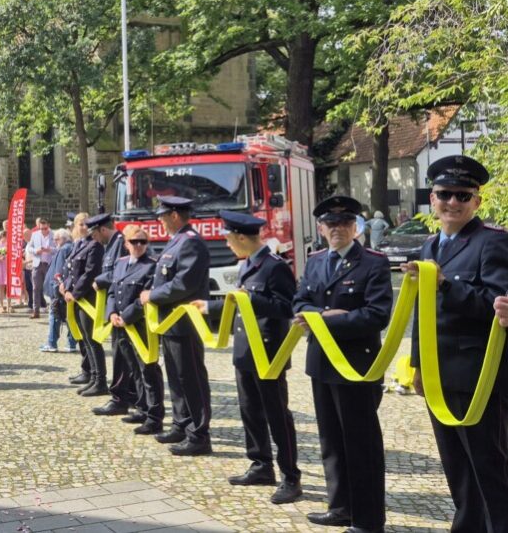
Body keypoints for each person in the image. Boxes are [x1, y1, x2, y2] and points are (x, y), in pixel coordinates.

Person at [402, 156, 508, 532]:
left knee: (489, 465)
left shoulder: (492, 243)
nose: (453, 202)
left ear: (476, 201)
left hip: (477, 375)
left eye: (462, 195)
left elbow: (493, 307)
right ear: (432, 198)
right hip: (438, 374)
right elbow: (421, 312)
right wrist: (417, 366)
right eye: (445, 194)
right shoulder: (430, 246)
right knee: (455, 464)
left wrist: (447, 285)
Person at [294, 195, 391, 532]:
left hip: (356, 365)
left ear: (356, 227)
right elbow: (300, 302)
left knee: (361, 444)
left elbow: (377, 315)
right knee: (331, 441)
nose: (338, 229)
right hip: (321, 362)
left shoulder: (374, 263)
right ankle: (340, 507)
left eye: (345, 223)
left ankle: (367, 520)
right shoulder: (315, 261)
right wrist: (326, 315)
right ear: (321, 228)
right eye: (331, 224)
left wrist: (329, 322)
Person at [192, 211, 301, 505]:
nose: (227, 245)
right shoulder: (247, 265)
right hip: (245, 350)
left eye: (229, 239)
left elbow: (287, 307)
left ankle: (291, 476)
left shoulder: (275, 267)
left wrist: (251, 299)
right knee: (250, 410)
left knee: (277, 414)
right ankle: (260, 464)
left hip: (268, 353)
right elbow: (237, 304)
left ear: (242, 238)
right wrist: (210, 307)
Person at [139, 195, 212, 457]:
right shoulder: (177, 242)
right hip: (169, 322)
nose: (159, 220)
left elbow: (184, 285)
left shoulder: (190, 243)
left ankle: (199, 434)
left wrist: (152, 296)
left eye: (162, 215)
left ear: (174, 215)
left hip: (184, 323)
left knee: (190, 378)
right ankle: (182, 424)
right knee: (177, 378)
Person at [91, 225, 166, 435]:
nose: (139, 246)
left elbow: (145, 297)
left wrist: (126, 316)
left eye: (143, 242)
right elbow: (114, 291)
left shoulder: (152, 265)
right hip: (120, 326)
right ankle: (141, 408)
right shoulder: (121, 263)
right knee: (132, 369)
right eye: (134, 242)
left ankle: (155, 415)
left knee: (148, 370)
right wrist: (111, 313)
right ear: (126, 244)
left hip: (140, 327)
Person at [64, 213, 106, 396]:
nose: (82, 227)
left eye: (85, 224)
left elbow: (90, 273)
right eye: (79, 224)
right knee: (84, 339)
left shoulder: (94, 245)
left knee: (92, 339)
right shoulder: (78, 244)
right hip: (76, 297)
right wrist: (66, 288)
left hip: (87, 297)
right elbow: (70, 270)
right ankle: (90, 374)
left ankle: (100, 380)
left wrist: (74, 293)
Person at [40, 228, 76, 352]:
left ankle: (51, 343)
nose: (55, 241)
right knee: (70, 315)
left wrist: (58, 286)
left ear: (64, 238)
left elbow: (59, 271)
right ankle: (71, 343)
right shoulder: (73, 247)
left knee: (54, 315)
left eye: (57, 239)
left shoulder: (64, 249)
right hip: (68, 287)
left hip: (59, 288)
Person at [27, 219, 55, 319]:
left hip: (49, 264)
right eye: (41, 228)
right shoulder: (35, 235)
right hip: (37, 264)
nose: (43, 230)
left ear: (49, 225)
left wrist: (50, 250)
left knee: (51, 287)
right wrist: (35, 250)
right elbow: (29, 248)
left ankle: (53, 309)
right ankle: (36, 311)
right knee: (35, 288)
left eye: (45, 228)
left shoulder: (54, 234)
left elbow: (59, 248)